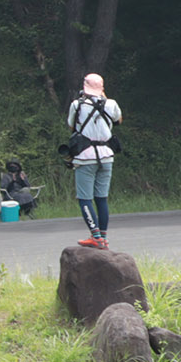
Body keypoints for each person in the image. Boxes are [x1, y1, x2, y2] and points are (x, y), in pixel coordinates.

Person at [68, 72, 121, 249]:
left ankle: (95, 236)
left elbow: (71, 126)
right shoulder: (111, 103)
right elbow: (118, 120)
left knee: (85, 199)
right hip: (107, 156)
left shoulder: (77, 104)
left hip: (85, 157)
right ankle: (103, 237)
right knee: (101, 198)